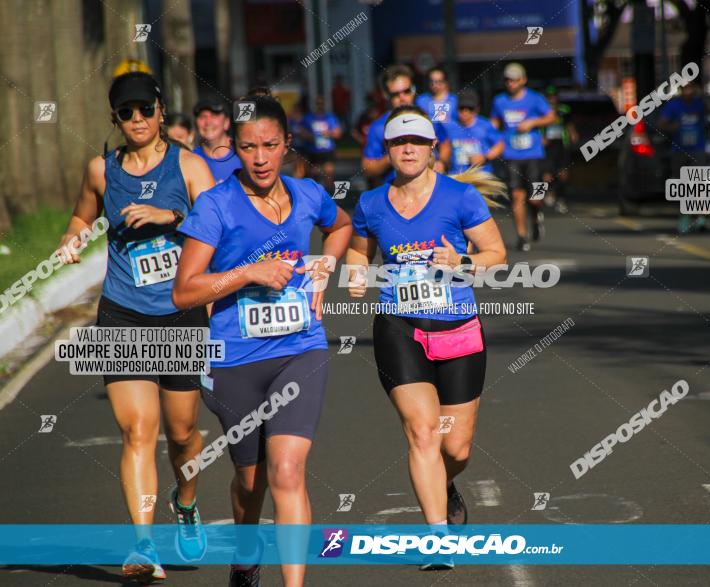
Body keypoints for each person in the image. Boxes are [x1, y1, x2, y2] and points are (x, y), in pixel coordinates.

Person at [173, 93, 352, 587]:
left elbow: (341, 226)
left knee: (288, 471)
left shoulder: (308, 194)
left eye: (270, 145)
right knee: (251, 481)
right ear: (234, 146)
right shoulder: (216, 205)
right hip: (235, 358)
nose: (259, 158)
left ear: (287, 144)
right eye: (249, 146)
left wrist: (324, 269)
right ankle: (246, 560)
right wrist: (248, 272)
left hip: (300, 347)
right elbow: (184, 290)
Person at [58, 71, 215, 583]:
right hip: (123, 311)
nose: (138, 120)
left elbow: (218, 229)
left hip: (180, 313)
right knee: (136, 430)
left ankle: (186, 502)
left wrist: (169, 215)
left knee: (183, 433)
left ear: (161, 110)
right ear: (115, 120)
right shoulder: (101, 171)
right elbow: (82, 217)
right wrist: (74, 240)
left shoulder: (189, 166)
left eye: (145, 109)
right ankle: (143, 545)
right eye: (127, 113)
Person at [347, 105, 507, 570]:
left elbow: (496, 254)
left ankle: (445, 481)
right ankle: (439, 538)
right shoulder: (372, 204)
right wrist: (357, 276)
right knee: (422, 433)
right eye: (399, 143)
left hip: (458, 328)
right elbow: (359, 252)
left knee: (453, 448)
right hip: (400, 327)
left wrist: (461, 263)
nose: (409, 149)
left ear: (433, 147)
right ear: (389, 151)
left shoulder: (459, 198)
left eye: (417, 141)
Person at [491, 62, 555, 252]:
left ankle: (536, 215)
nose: (510, 84)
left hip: (533, 153)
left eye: (514, 80)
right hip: (512, 154)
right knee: (517, 195)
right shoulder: (499, 101)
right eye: (507, 80)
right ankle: (522, 235)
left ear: (523, 80)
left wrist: (533, 122)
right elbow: (495, 122)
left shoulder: (535, 99)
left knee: (535, 197)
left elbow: (551, 116)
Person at [362, 65, 451, 187]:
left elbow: (445, 144)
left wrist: (441, 162)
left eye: (407, 91)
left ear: (413, 90)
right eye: (395, 94)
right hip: (397, 195)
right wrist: (393, 155)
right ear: (386, 95)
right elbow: (367, 168)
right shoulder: (377, 127)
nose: (402, 97)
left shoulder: (429, 118)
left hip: (431, 191)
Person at [658, 82, 707, 234]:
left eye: (691, 88)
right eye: (685, 89)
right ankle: (684, 217)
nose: (688, 92)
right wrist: (672, 127)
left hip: (697, 149)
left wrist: (704, 98)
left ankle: (700, 218)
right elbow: (661, 123)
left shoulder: (700, 104)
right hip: (679, 150)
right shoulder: (674, 106)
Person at [446, 89, 504, 175]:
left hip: (481, 177)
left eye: (470, 109)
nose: (465, 112)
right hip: (457, 176)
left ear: (477, 109)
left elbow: (500, 145)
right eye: (461, 108)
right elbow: (444, 148)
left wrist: (484, 157)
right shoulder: (450, 126)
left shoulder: (485, 125)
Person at [541, 86, 577, 214]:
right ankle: (548, 193)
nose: (551, 99)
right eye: (549, 97)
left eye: (553, 96)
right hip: (547, 146)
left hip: (561, 144)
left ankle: (561, 198)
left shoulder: (564, 110)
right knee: (547, 174)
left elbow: (569, 124)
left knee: (563, 174)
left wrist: (573, 134)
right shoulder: (541, 111)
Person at [193, 97, 242, 182]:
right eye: (202, 117)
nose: (208, 122)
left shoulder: (243, 153)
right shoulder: (191, 159)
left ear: (226, 122)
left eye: (214, 116)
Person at [301, 95, 342, 192]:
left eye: (321, 104)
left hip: (327, 150)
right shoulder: (309, 118)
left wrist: (329, 133)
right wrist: (310, 136)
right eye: (318, 104)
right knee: (314, 175)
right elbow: (301, 132)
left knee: (328, 173)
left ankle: (329, 196)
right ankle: (316, 195)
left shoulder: (330, 117)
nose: (320, 106)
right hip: (313, 151)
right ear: (315, 105)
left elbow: (338, 133)